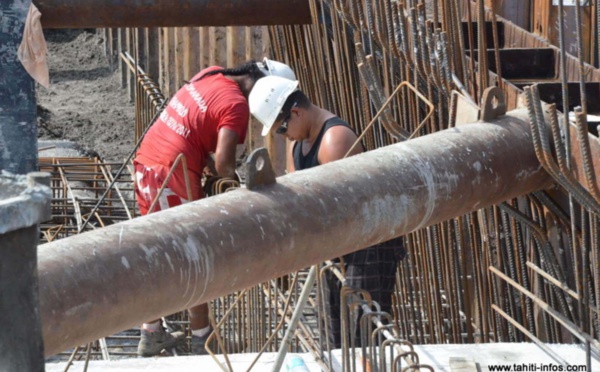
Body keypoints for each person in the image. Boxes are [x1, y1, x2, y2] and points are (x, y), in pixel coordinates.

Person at [133, 59, 296, 357]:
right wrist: (238, 183)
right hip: (174, 173)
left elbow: (195, 123)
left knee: (157, 251)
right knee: (192, 253)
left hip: (148, 163)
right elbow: (224, 164)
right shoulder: (236, 105)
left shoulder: (212, 73)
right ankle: (201, 339)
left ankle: (152, 332)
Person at [249, 76, 406, 349]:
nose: (283, 135)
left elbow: (345, 210)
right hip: (335, 241)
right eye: (279, 132)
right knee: (333, 328)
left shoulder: (334, 141)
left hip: (366, 243)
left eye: (282, 128)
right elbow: (297, 191)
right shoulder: (297, 141)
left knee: (363, 328)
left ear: (296, 112)